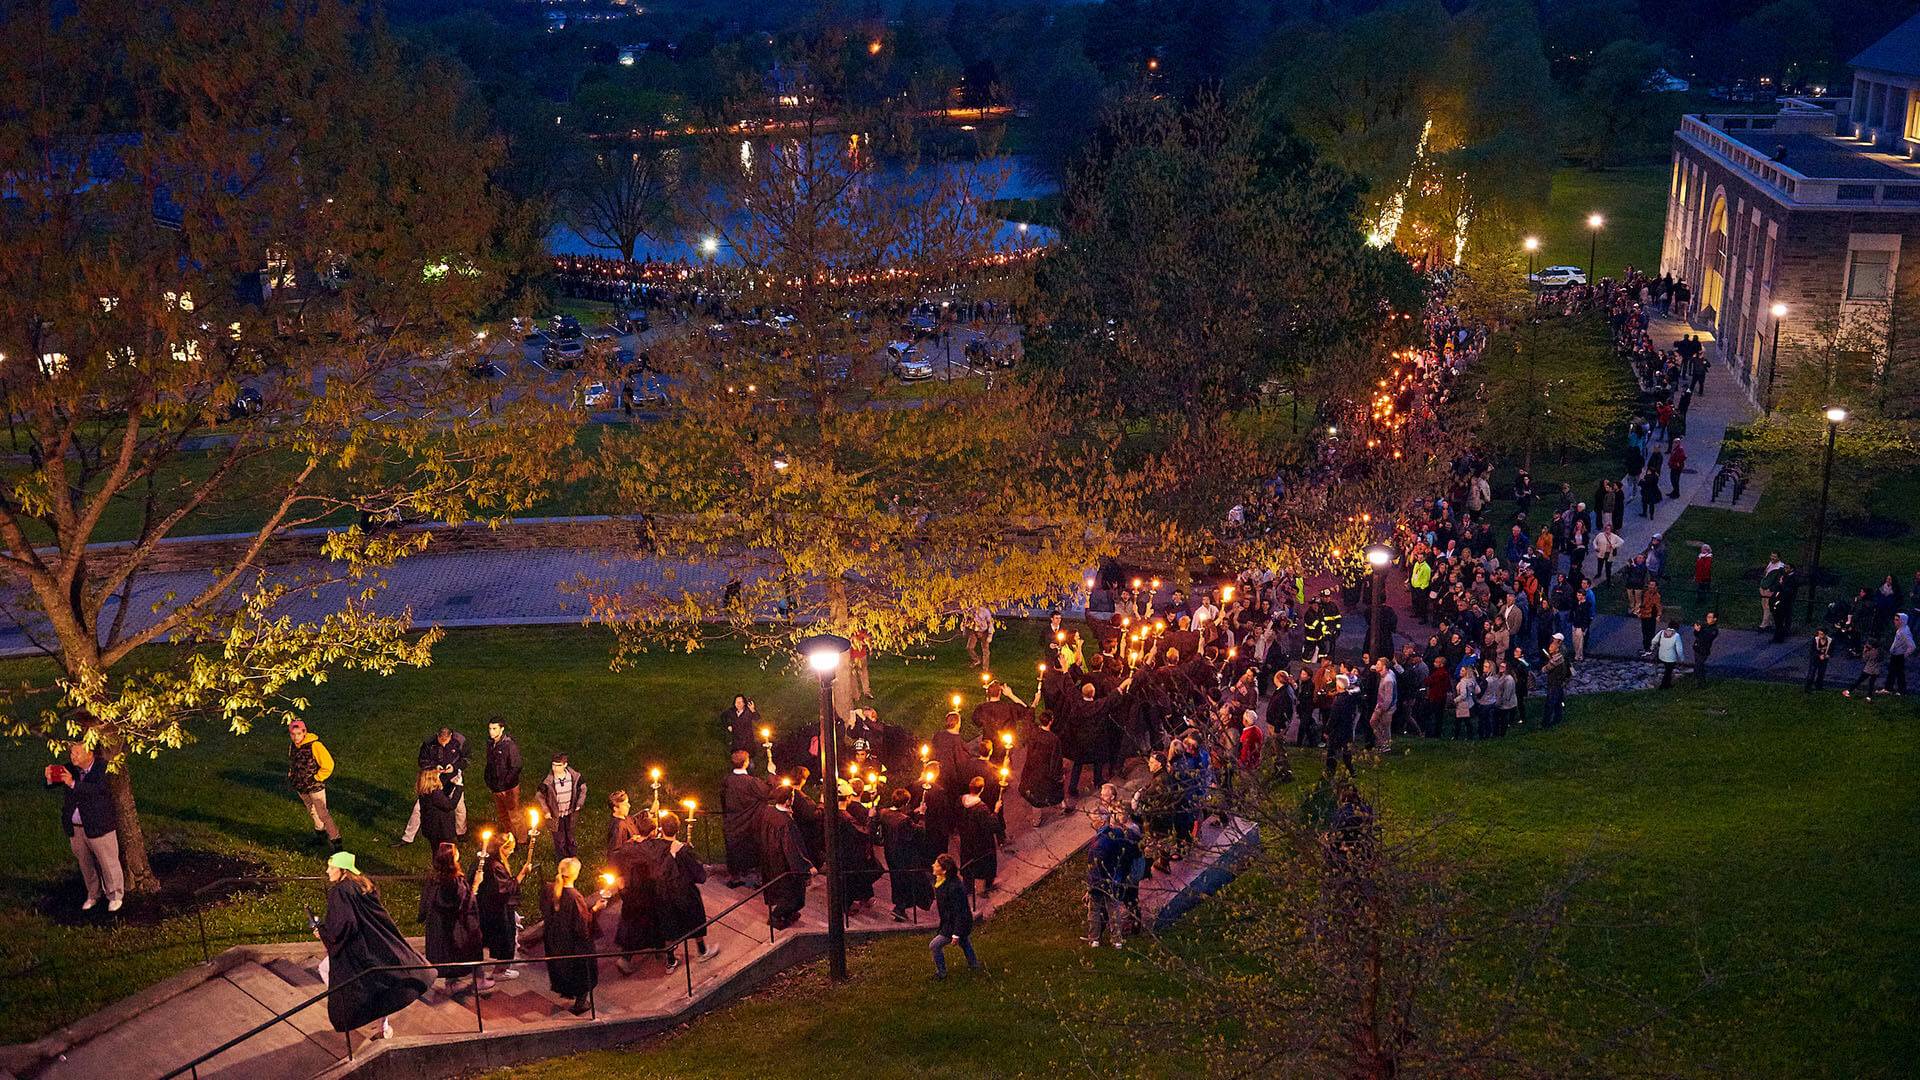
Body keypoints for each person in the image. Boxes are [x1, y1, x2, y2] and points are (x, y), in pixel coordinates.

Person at [316, 850, 431, 1042]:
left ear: (343, 869)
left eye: (331, 867)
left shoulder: (340, 891)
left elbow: (344, 925)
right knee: (375, 986)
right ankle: (380, 1024)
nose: (328, 871)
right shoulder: (363, 885)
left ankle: (370, 1019)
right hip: (375, 945)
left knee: (335, 976)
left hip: (358, 950)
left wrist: (323, 932)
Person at [51, 741, 123, 912]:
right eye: (71, 753)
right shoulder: (71, 768)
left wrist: (72, 784)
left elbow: (97, 789)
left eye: (77, 753)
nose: (72, 756)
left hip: (99, 826)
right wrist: (48, 777)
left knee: (108, 862)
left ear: (90, 754)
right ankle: (93, 894)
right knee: (85, 863)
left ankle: (115, 896)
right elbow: (51, 783)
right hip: (76, 828)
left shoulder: (103, 768)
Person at [649, 811, 720, 963]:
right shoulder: (682, 851)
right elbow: (698, 875)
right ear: (678, 830)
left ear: (661, 828)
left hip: (663, 894)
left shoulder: (654, 847)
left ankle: (670, 960)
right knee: (695, 921)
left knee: (670, 926)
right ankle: (702, 951)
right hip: (684, 893)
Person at [541, 857, 606, 1015]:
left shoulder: (549, 889)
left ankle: (570, 994)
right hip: (574, 945)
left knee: (565, 970)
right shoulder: (575, 897)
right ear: (575, 874)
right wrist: (596, 909)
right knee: (583, 973)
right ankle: (580, 1004)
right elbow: (582, 925)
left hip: (556, 940)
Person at [419, 842, 485, 998]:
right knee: (455, 951)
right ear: (451, 858)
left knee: (445, 952)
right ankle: (454, 983)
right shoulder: (452, 880)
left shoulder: (434, 877)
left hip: (437, 923)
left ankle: (452, 981)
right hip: (451, 925)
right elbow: (461, 903)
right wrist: (476, 884)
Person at [756, 783, 813, 930]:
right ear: (788, 800)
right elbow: (792, 848)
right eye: (792, 797)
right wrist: (806, 868)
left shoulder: (769, 812)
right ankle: (777, 916)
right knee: (793, 896)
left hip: (771, 859)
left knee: (781, 891)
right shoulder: (786, 824)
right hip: (785, 865)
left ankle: (788, 914)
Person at [400, 727, 468, 845]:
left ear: (451, 736)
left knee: (460, 807)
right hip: (433, 780)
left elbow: (466, 759)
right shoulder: (429, 743)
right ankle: (407, 837)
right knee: (418, 808)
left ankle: (461, 833)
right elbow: (422, 761)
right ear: (437, 736)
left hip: (452, 778)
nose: (443, 744)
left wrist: (455, 767)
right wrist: (435, 766)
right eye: (441, 741)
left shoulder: (460, 741)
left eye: (446, 741)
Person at [476, 831, 529, 981]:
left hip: (490, 907)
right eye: (510, 848)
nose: (512, 851)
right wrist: (522, 874)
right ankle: (500, 970)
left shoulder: (487, 859)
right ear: (502, 848)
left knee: (496, 938)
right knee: (506, 938)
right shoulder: (495, 866)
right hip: (499, 910)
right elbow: (505, 889)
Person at [876, 789, 934, 922]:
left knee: (897, 880)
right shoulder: (904, 821)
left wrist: (913, 812)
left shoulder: (884, 813)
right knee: (913, 881)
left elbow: (897, 816)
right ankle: (902, 907)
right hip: (905, 855)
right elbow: (919, 832)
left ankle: (900, 907)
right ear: (905, 803)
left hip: (890, 853)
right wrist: (922, 815)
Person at [287, 719, 342, 853]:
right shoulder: (293, 746)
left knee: (323, 813)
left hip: (314, 786)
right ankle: (320, 835)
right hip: (301, 786)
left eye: (298, 734)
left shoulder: (315, 745)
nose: (296, 737)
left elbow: (328, 765)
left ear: (304, 732)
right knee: (312, 810)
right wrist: (292, 774)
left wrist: (317, 777)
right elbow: (293, 761)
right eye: (293, 734)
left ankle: (336, 841)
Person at [1085, 816, 1138, 948]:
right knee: (1113, 910)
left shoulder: (1098, 844)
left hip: (1099, 883)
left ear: (1102, 821)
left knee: (1094, 910)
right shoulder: (1117, 834)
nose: (1091, 821)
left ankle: (1094, 939)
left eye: (1094, 818)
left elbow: (1095, 868)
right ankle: (1117, 940)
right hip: (1115, 879)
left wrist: (1090, 888)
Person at [720, 750, 770, 888]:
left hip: (732, 821)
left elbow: (723, 799)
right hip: (749, 823)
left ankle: (735, 877)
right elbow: (767, 793)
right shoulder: (751, 782)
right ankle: (755, 878)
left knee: (734, 850)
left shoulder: (727, 780)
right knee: (752, 849)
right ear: (746, 762)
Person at [928, 852, 982, 980]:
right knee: (964, 942)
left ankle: (941, 973)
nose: (933, 866)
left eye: (936, 865)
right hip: (951, 923)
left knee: (934, 945)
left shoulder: (954, 888)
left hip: (956, 924)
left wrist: (956, 933)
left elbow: (960, 912)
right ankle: (974, 965)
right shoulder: (942, 883)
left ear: (944, 870)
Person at [536, 753, 586, 860]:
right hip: (555, 815)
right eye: (553, 765)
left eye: (558, 765)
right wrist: (546, 811)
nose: (555, 768)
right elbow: (540, 796)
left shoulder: (574, 777)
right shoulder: (548, 781)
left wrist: (579, 804)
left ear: (565, 765)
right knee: (559, 838)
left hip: (570, 813)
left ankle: (572, 855)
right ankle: (562, 858)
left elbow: (583, 789)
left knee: (570, 835)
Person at [956, 775, 998, 896]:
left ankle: (968, 887)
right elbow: (990, 826)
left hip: (966, 839)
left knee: (967, 861)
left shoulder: (960, 801)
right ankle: (982, 889)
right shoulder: (981, 808)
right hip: (981, 842)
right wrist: (995, 811)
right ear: (982, 789)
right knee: (983, 864)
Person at [483, 720, 523, 841]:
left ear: (502, 729)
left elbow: (516, 766)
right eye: (490, 728)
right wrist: (489, 780)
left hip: (508, 788)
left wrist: (505, 783)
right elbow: (490, 763)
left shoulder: (509, 745)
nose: (491, 731)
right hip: (496, 787)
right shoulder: (491, 744)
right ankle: (510, 838)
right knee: (503, 815)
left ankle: (522, 840)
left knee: (514, 815)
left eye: (494, 729)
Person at [1018, 713, 1065, 810]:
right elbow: (1056, 760)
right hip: (1045, 770)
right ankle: (1062, 806)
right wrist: (1059, 776)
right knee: (1054, 790)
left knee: (1034, 794)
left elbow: (1027, 721)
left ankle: (1036, 819)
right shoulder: (1053, 739)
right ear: (1051, 721)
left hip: (1032, 767)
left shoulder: (1034, 733)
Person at [411, 768, 459, 850]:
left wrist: (451, 784)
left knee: (435, 851)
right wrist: (459, 788)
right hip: (442, 830)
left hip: (431, 829)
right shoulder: (435, 793)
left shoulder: (426, 791)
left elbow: (443, 798)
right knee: (446, 854)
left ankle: (436, 862)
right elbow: (449, 805)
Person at [1541, 639, 1571, 728]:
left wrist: (1549, 662)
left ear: (1557, 649)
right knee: (1558, 702)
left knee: (1549, 704)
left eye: (1552, 647)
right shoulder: (1560, 658)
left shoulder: (1556, 660)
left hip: (1554, 684)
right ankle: (1557, 719)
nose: (1549, 648)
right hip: (1559, 683)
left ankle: (1546, 723)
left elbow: (1544, 669)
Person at [1653, 620, 1685, 689]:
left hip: (1661, 655)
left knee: (1665, 670)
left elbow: (1654, 641)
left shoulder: (1661, 632)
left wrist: (1652, 647)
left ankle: (1661, 683)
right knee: (1668, 671)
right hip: (1670, 657)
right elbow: (1679, 649)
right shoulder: (1676, 636)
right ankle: (1664, 685)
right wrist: (1681, 659)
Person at [1889, 613, 1914, 695]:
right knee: (1892, 672)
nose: (1894, 621)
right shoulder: (1900, 629)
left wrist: (1903, 655)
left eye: (1897, 620)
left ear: (1902, 621)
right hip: (1895, 654)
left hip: (1898, 655)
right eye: (1895, 619)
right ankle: (1889, 689)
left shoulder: (1904, 632)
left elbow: (1912, 646)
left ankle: (1902, 691)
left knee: (1899, 674)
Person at [965, 603, 995, 669]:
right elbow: (966, 621)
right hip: (974, 631)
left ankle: (985, 668)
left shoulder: (985, 611)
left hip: (984, 631)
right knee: (969, 647)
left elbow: (990, 623)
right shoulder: (970, 611)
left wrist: (990, 635)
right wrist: (966, 629)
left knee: (985, 650)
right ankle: (976, 660)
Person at [1693, 613, 1719, 682]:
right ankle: (1696, 680)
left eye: (1710, 617)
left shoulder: (1714, 630)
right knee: (1697, 665)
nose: (1708, 618)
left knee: (1699, 666)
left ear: (1715, 619)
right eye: (1707, 617)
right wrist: (1697, 630)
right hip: (1697, 648)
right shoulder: (1705, 626)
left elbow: (1706, 639)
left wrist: (1699, 631)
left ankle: (1700, 682)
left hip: (1703, 650)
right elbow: (1696, 635)